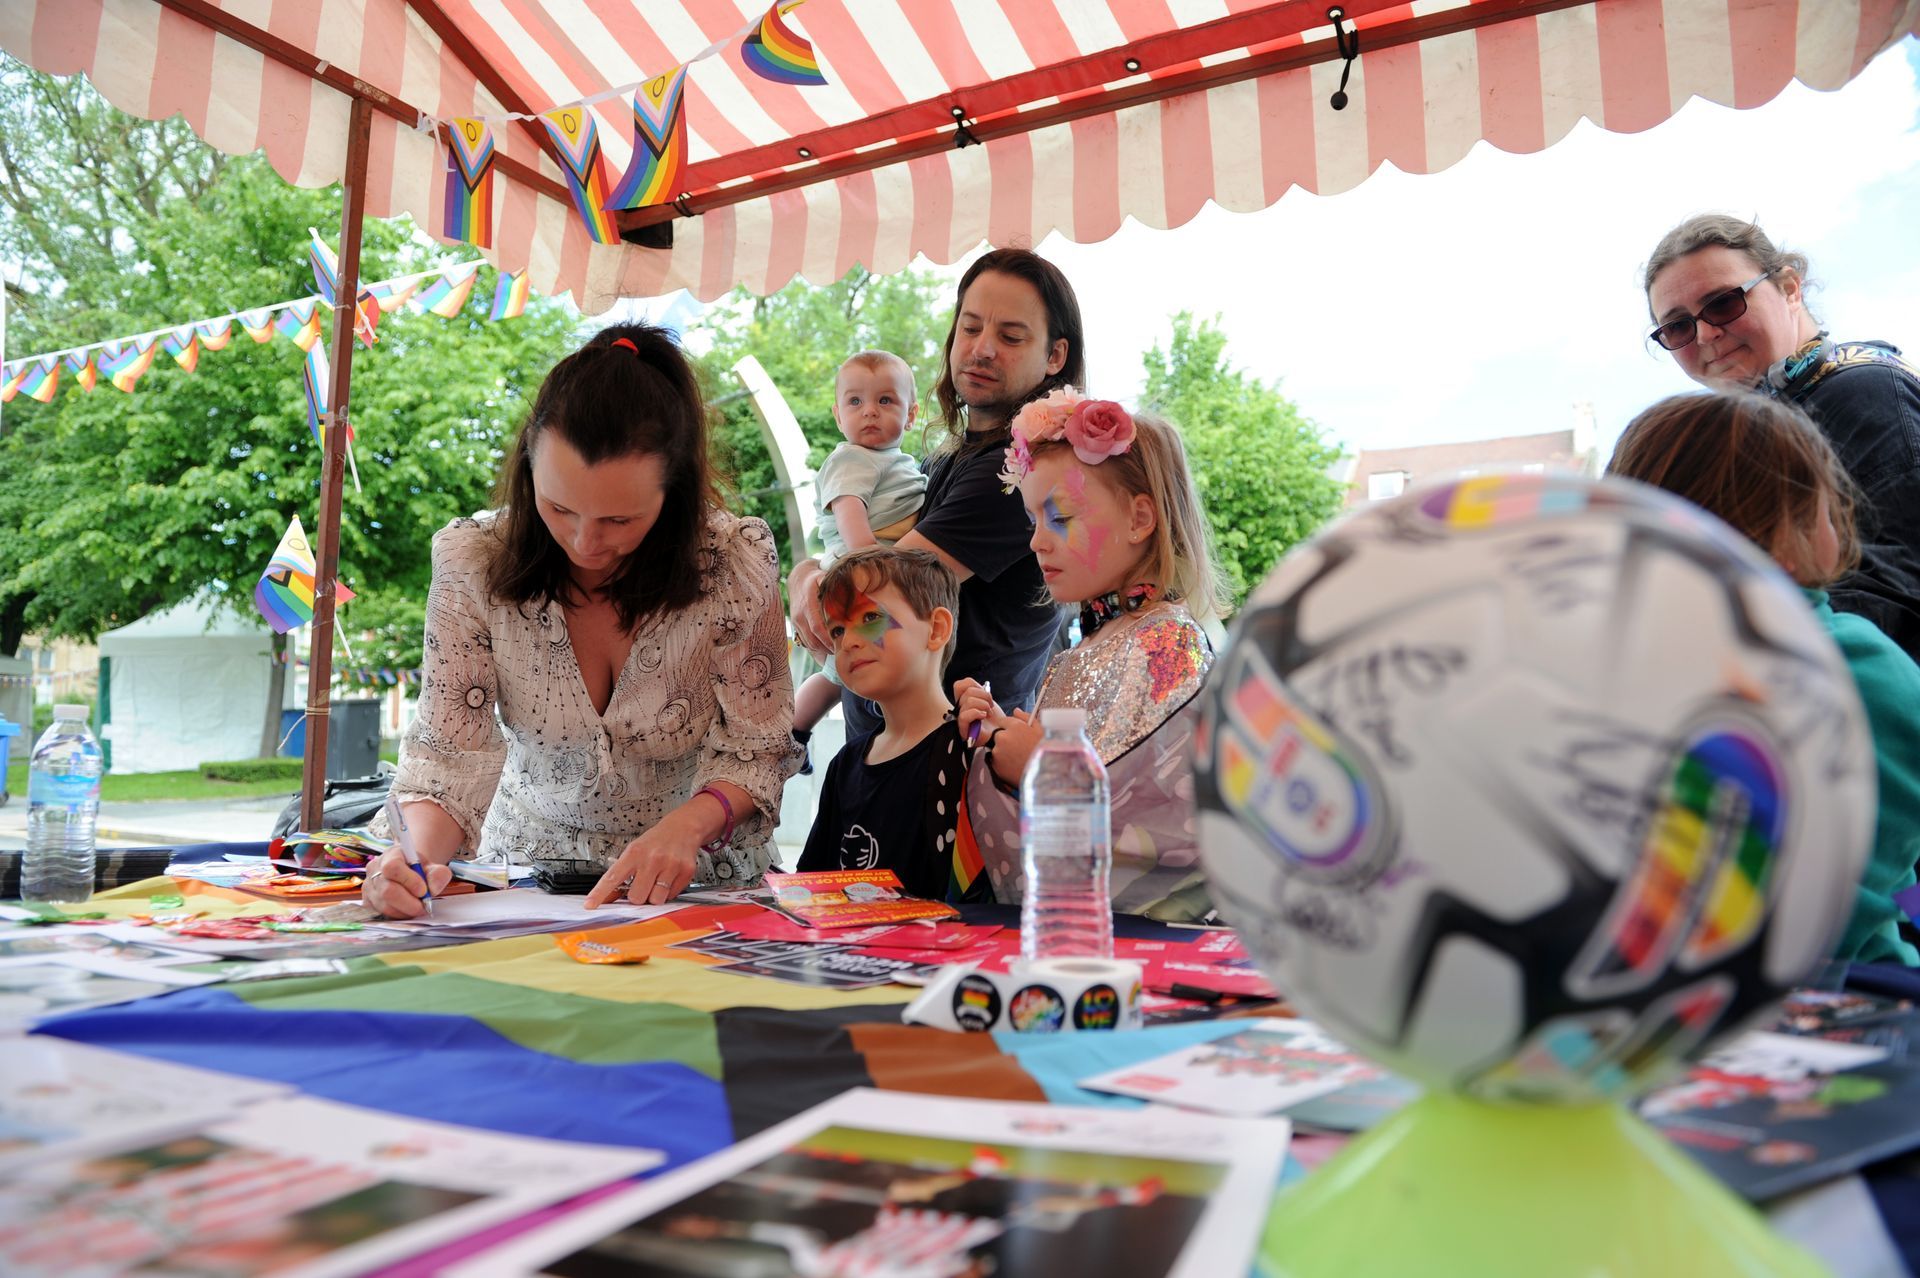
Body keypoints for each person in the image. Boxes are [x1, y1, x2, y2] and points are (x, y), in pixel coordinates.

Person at [361, 325, 799, 919]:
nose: (584, 541)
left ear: (674, 495)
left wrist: (687, 828)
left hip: (704, 887)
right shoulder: (471, 562)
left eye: (620, 519)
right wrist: (412, 862)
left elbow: (759, 746)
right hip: (526, 884)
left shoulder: (734, 561)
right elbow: (449, 757)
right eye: (558, 507)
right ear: (527, 467)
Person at [1608, 389, 1920, 966]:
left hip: (1648, 992)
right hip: (1846, 990)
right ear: (1794, 537)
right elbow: (1876, 877)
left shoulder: (1609, 673)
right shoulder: (1856, 665)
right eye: (1828, 505)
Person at [788, 249, 1084, 746]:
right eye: (970, 328)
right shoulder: (944, 456)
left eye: (1010, 336)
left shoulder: (1017, 471)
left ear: (1055, 356)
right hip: (893, 746)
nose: (982, 349)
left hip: (953, 756)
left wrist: (808, 575)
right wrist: (806, 575)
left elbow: (882, 587)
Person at [953, 398, 1230, 917]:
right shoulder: (1084, 651)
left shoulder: (1167, 644)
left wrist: (1036, 766)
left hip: (1139, 950)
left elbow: (1163, 823)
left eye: (1059, 516)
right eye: (1032, 518)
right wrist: (1001, 740)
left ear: (1139, 517)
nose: (1036, 540)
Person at [1643, 214, 1920, 664]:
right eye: (1677, 327)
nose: (1706, 334)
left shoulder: (1859, 390)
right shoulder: (1769, 422)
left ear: (1790, 287)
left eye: (1723, 303)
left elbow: (1893, 588)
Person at [798, 547, 978, 902]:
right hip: (853, 953)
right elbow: (814, 886)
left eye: (869, 618)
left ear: (936, 629)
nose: (847, 641)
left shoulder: (969, 749)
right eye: (836, 630)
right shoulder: (846, 764)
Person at [793, 351, 929, 748]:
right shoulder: (851, 458)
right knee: (839, 672)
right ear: (838, 416)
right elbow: (850, 512)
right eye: (856, 402)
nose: (870, 411)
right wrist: (871, 564)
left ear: (911, 414)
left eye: (885, 401)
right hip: (860, 568)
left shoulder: (895, 460)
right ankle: (793, 733)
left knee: (844, 672)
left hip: (873, 565)